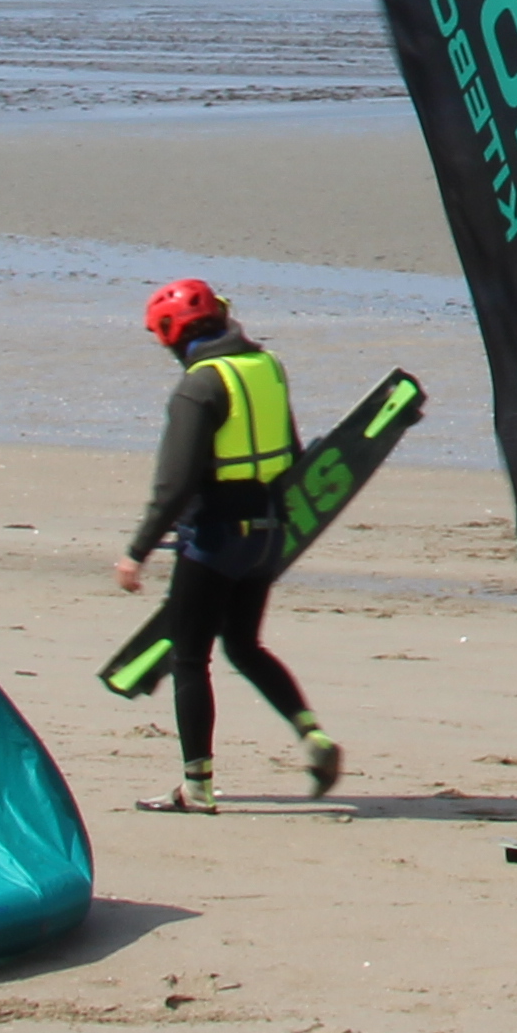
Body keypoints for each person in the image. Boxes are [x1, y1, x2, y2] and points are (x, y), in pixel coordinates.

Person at [115, 278, 341, 813]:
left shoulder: (200, 386)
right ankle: (312, 734)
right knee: (243, 645)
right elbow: (294, 450)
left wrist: (138, 551)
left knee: (190, 658)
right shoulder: (268, 366)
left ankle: (196, 786)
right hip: (266, 535)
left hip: (214, 540)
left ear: (174, 334)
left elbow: (176, 483)